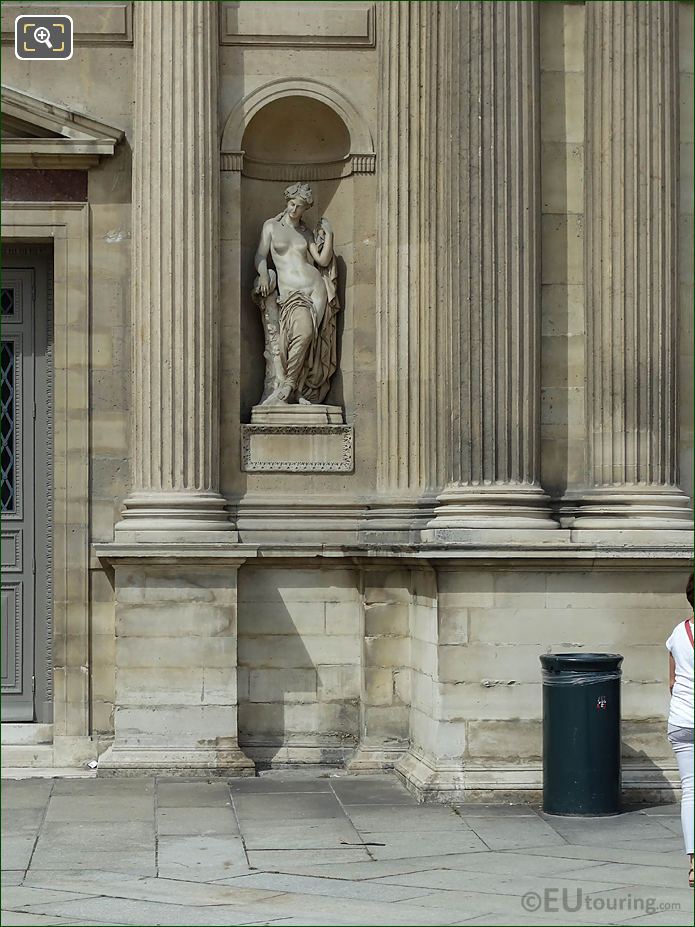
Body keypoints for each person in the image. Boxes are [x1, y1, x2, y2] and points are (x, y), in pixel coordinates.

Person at [253, 182, 340, 406]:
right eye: (292, 204)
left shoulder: (306, 232)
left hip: (315, 289)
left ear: (305, 209)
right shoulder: (271, 226)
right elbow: (260, 256)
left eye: (299, 206)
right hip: (292, 293)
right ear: (287, 202)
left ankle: (298, 389)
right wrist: (263, 274)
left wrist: (328, 235)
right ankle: (289, 384)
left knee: (311, 339)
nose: (294, 209)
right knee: (303, 333)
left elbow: (322, 260)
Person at [666, 572, 694, 887]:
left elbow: (673, 683)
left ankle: (693, 864)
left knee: (691, 791)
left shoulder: (677, 632)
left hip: (683, 721)